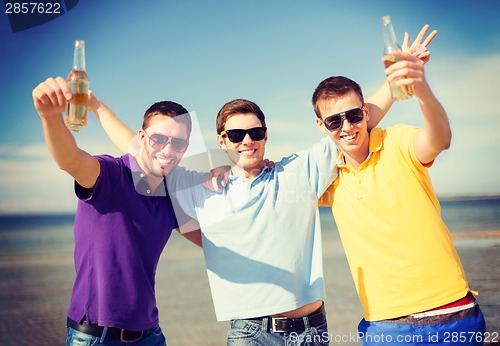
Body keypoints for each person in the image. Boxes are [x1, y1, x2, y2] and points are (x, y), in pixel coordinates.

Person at [96, 25, 437, 346]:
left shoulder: (297, 172)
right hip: (249, 333)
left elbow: (351, 123)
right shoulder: (197, 183)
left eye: (256, 133)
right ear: (222, 140)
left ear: (266, 135)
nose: (248, 141)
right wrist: (95, 106)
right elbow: (145, 149)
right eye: (236, 135)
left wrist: (397, 78)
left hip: (310, 329)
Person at [313, 53, 487, 344]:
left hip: (452, 314)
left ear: (366, 113)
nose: (347, 127)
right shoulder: (326, 179)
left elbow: (440, 139)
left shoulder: (397, 142)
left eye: (354, 115)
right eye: (334, 121)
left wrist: (421, 91)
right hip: (385, 327)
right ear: (321, 126)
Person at [32, 77, 200, 345]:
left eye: (177, 144)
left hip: (151, 335)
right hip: (96, 337)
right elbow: (70, 160)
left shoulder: (170, 197)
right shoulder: (111, 175)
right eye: (158, 139)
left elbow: (211, 243)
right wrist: (50, 117)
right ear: (142, 137)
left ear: (186, 147)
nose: (168, 150)